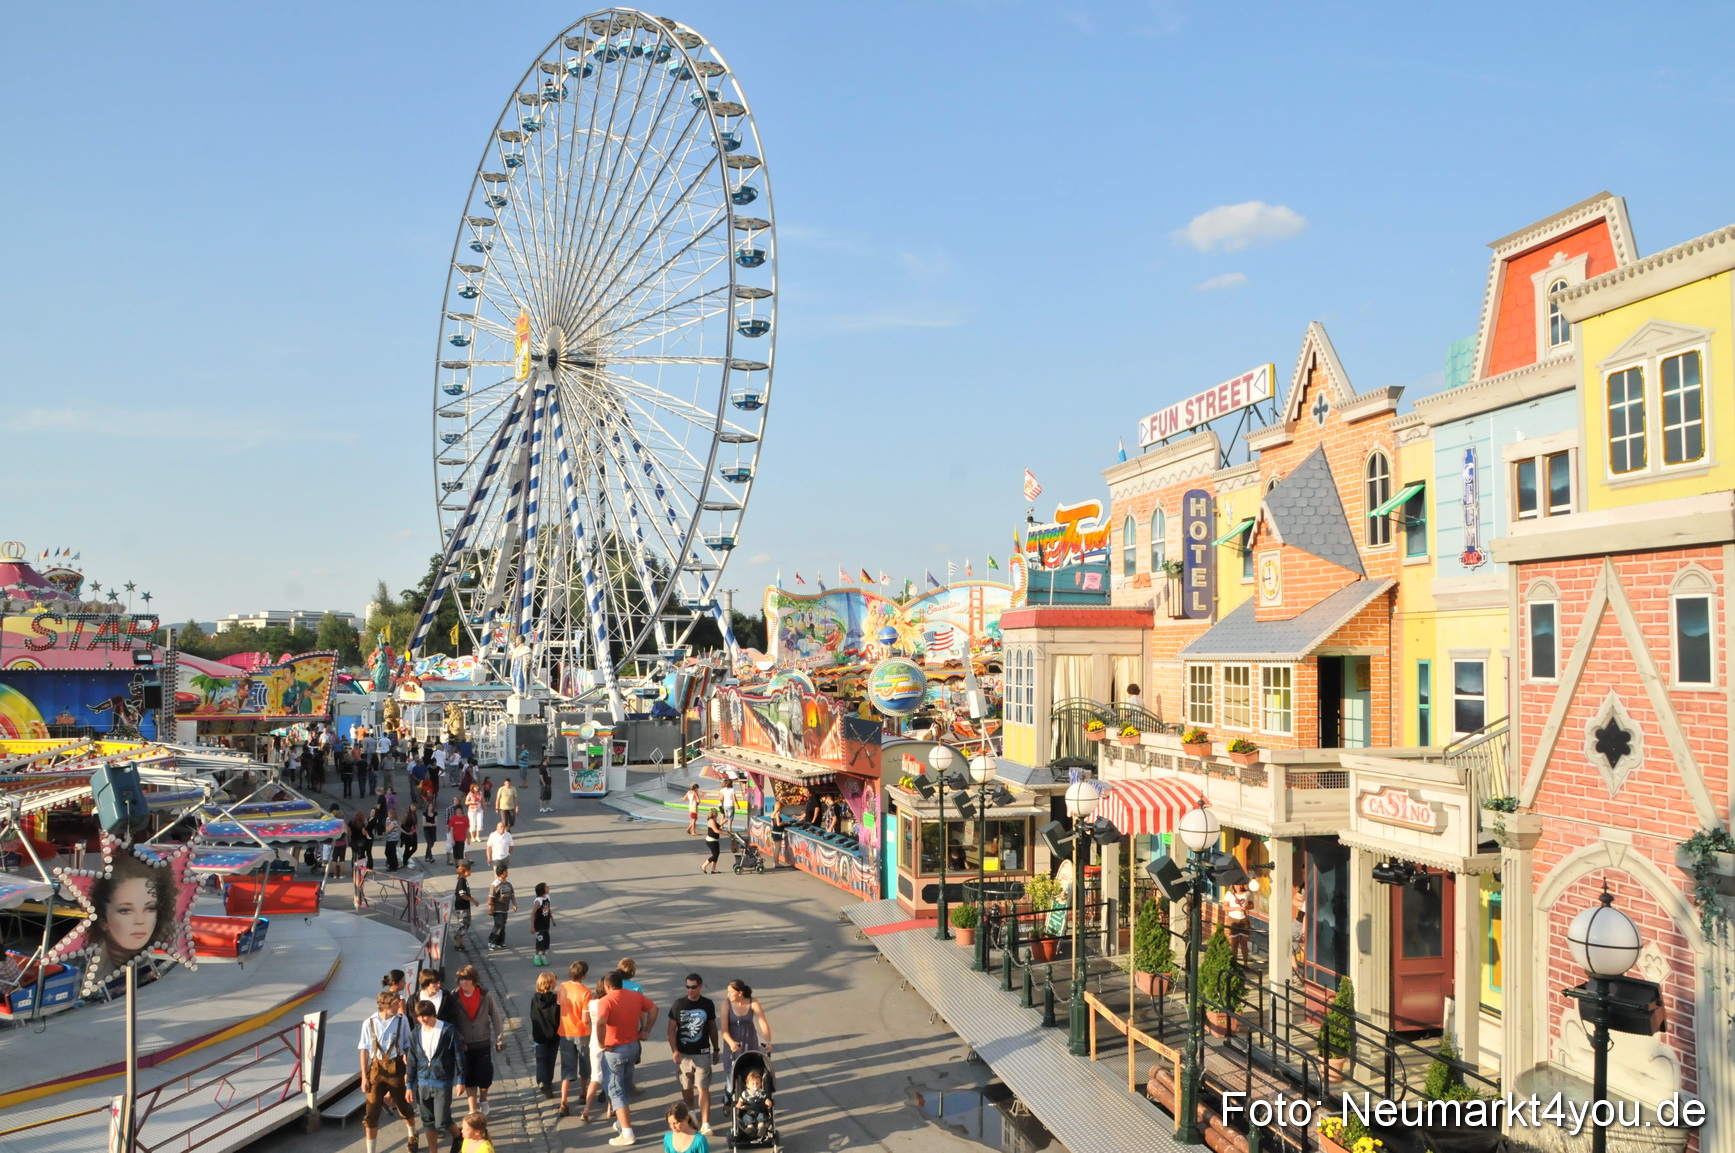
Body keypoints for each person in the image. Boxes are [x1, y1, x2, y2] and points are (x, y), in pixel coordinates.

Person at [88, 851, 175, 975]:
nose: (140, 920)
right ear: (103, 921)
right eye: (125, 910)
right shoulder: (88, 970)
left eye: (150, 908)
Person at [597, 969, 657, 1147]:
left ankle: (627, 1132)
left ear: (607, 986)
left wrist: (601, 1043)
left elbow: (600, 1022)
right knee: (624, 1085)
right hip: (632, 1046)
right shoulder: (634, 996)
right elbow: (654, 1009)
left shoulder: (606, 1001)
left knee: (615, 1090)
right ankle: (620, 1123)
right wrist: (646, 1029)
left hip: (615, 1049)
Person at [359, 991, 418, 1153]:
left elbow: (407, 1043)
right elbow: (364, 1050)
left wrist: (408, 1066)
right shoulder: (369, 1023)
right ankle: (371, 1150)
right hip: (376, 1070)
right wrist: (364, 1077)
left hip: (397, 1066)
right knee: (371, 1113)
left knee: (404, 1107)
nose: (398, 1007)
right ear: (384, 1006)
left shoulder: (402, 1020)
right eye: (395, 1005)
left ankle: (412, 1135)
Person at [407, 996, 467, 1153]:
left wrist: (461, 1080)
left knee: (442, 1121)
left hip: (442, 1082)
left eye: (426, 1015)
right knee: (427, 1121)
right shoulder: (415, 1033)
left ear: (434, 1014)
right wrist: (408, 1086)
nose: (423, 1019)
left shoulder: (447, 1030)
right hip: (422, 1082)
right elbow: (412, 1060)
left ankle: (459, 1137)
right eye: (419, 1016)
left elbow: (459, 1056)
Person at [667, 973, 719, 1136]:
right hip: (684, 1054)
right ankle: (691, 1113)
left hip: (702, 1053)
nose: (690, 990)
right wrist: (674, 1050)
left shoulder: (708, 1004)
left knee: (703, 1087)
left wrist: (716, 1049)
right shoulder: (678, 1004)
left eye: (693, 987)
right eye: (687, 987)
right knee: (686, 1086)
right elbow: (671, 1030)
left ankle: (705, 1123)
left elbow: (712, 1027)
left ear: (700, 987)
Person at [452, 964, 506, 1116]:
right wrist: (459, 1039)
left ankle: (484, 1099)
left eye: (467, 979)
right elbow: (453, 1022)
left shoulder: (484, 995)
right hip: (465, 1044)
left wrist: (499, 1038)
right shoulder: (455, 996)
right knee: (469, 1077)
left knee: (484, 1075)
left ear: (474, 980)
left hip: (482, 1041)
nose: (463, 982)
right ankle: (472, 1109)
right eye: (461, 979)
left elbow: (495, 1016)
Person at [720, 980, 771, 1084]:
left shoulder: (753, 1002)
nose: (728, 994)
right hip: (733, 1043)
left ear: (740, 992)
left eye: (731, 992)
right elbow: (724, 1030)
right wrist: (731, 1043)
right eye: (728, 992)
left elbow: (763, 1022)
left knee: (752, 1070)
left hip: (750, 1040)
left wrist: (768, 1041)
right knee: (732, 1072)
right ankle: (731, 1094)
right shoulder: (726, 1004)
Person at [531, 970, 561, 1099]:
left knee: (541, 1059)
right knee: (551, 1058)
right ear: (552, 985)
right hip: (554, 1034)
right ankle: (548, 1080)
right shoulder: (555, 999)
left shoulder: (535, 998)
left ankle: (542, 1081)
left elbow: (532, 1014)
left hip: (539, 1034)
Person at [736, 1068, 773, 1142]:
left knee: (762, 1116)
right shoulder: (745, 1094)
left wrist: (768, 1101)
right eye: (752, 1084)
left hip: (760, 1110)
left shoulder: (761, 1093)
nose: (755, 1085)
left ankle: (761, 1129)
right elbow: (740, 1101)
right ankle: (750, 1128)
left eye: (757, 1083)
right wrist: (739, 1104)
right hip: (748, 1111)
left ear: (760, 1084)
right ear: (747, 1085)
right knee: (747, 1117)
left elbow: (765, 1099)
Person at [486, 864, 517, 951]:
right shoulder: (495, 884)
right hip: (497, 908)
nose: (507, 873)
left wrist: (514, 904)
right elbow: (490, 897)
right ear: (501, 873)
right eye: (505, 872)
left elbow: (512, 895)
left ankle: (501, 942)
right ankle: (491, 941)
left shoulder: (508, 883)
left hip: (505, 908)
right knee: (498, 925)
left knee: (503, 926)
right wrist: (490, 907)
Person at [1223, 881, 1252, 963]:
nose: (1238, 887)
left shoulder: (1247, 893)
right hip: (1233, 919)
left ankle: (1245, 963)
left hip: (1244, 920)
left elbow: (1252, 905)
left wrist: (1246, 907)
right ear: (1233, 885)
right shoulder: (1229, 894)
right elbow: (1225, 907)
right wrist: (1236, 908)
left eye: (1240, 885)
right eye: (1236, 885)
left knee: (1244, 943)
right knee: (1234, 943)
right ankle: (1234, 962)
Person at [451, 862, 477, 948]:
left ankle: (458, 938)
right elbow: (462, 895)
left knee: (467, 923)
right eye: (469, 871)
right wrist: (473, 900)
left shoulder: (464, 880)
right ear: (464, 872)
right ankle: (458, 943)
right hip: (461, 907)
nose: (470, 872)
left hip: (465, 906)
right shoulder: (461, 881)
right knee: (463, 924)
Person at [531, 882, 554, 967]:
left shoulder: (548, 897)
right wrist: (532, 927)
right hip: (539, 925)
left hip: (546, 924)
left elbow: (548, 909)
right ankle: (536, 956)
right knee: (540, 941)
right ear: (542, 890)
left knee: (546, 942)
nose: (548, 888)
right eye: (546, 887)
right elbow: (533, 913)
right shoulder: (538, 901)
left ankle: (543, 957)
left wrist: (552, 919)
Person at [447, 798, 470, 867]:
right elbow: (451, 829)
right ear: (455, 811)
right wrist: (452, 839)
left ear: (462, 810)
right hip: (455, 838)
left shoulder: (465, 818)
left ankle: (460, 868)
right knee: (456, 854)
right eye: (457, 810)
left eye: (460, 810)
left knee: (460, 854)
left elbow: (467, 828)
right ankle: (457, 865)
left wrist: (468, 838)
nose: (458, 812)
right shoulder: (453, 818)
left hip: (461, 839)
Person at [701, 809, 722, 874]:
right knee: (715, 855)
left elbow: (718, 827)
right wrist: (725, 832)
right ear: (714, 813)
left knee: (716, 854)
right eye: (716, 813)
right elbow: (716, 830)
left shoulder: (714, 820)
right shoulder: (711, 821)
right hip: (711, 840)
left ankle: (713, 869)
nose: (717, 814)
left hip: (714, 840)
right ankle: (704, 865)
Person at [401, 803, 419, 869]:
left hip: (413, 833)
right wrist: (408, 831)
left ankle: (405, 859)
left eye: (414, 806)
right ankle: (405, 861)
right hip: (408, 833)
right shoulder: (407, 814)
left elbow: (414, 823)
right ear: (410, 807)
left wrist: (415, 828)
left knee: (415, 848)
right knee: (407, 848)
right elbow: (402, 825)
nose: (413, 807)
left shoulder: (415, 814)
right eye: (412, 806)